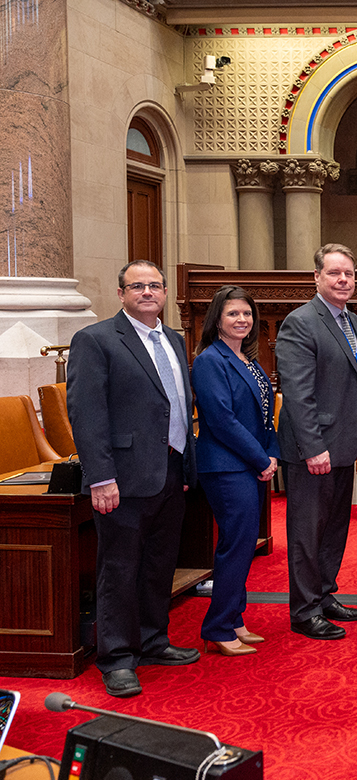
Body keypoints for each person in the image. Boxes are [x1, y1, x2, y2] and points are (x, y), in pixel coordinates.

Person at [67, 260, 200, 698]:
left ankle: (153, 640)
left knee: (160, 563)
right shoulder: (96, 340)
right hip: (121, 479)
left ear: (165, 293)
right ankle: (118, 657)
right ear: (121, 293)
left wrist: (183, 463)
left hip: (170, 471)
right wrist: (100, 477)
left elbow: (176, 406)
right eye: (137, 286)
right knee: (119, 568)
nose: (147, 292)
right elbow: (87, 415)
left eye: (155, 285)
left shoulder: (175, 340)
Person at [276, 243, 357, 641]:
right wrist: (314, 447)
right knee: (306, 531)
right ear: (316, 277)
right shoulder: (300, 322)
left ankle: (325, 594)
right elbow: (298, 395)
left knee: (334, 529)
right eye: (334, 273)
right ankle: (303, 610)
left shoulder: (350, 321)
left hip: (343, 445)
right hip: (314, 449)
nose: (343, 280)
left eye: (348, 274)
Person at [191, 285, 281, 656]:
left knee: (244, 544)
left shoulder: (250, 360)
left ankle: (235, 618)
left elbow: (266, 416)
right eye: (232, 314)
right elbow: (222, 421)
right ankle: (217, 626)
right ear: (217, 320)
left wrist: (271, 454)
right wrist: (261, 460)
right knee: (235, 545)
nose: (241, 320)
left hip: (252, 463)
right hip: (225, 466)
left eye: (246, 314)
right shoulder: (210, 361)